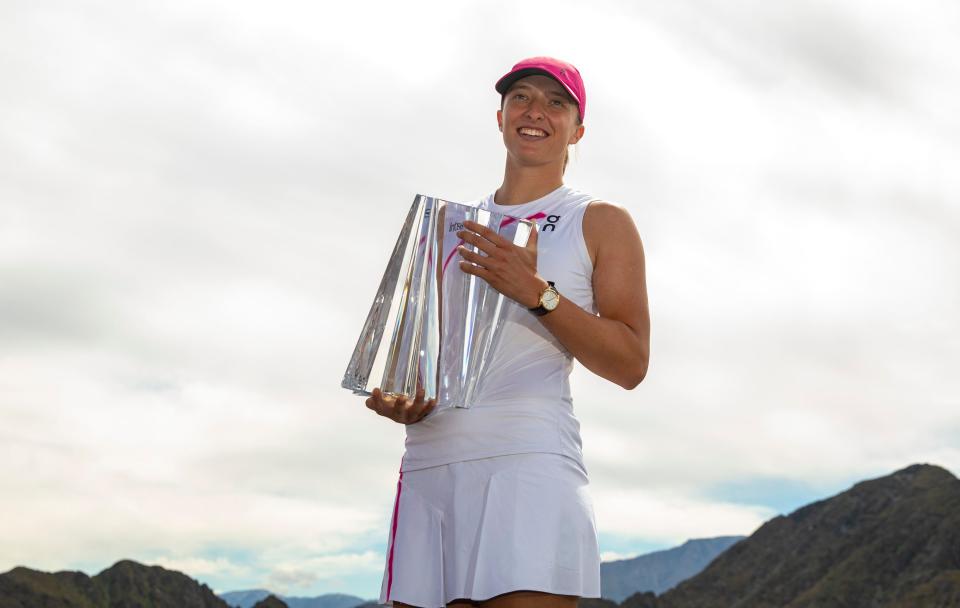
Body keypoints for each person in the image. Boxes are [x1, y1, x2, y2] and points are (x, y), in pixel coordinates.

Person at [365, 56, 650, 608]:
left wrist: (537, 293)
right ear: (499, 117)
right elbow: (419, 360)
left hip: (529, 459)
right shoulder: (448, 226)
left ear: (578, 129)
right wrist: (401, 398)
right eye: (521, 97)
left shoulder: (598, 221)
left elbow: (631, 363)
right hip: (430, 465)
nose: (535, 110)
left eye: (556, 102)